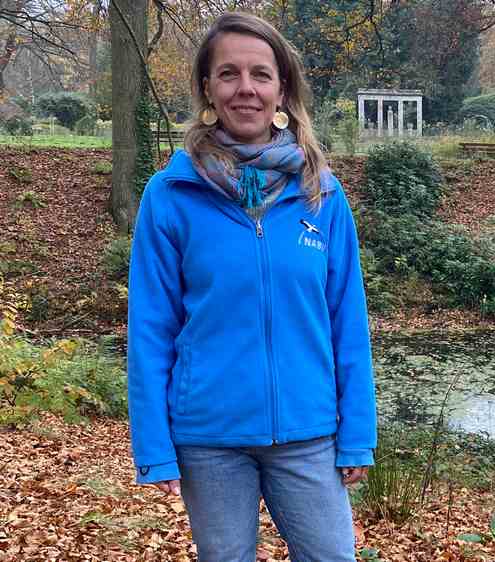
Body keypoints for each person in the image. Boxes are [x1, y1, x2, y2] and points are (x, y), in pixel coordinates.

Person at [127, 12, 376, 562]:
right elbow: (150, 328)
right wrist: (154, 447)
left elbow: (347, 322)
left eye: (261, 74)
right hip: (209, 436)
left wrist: (357, 429)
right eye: (229, 74)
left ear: (281, 89)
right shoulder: (170, 195)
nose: (246, 88)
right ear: (208, 89)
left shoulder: (322, 196)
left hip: (309, 432)